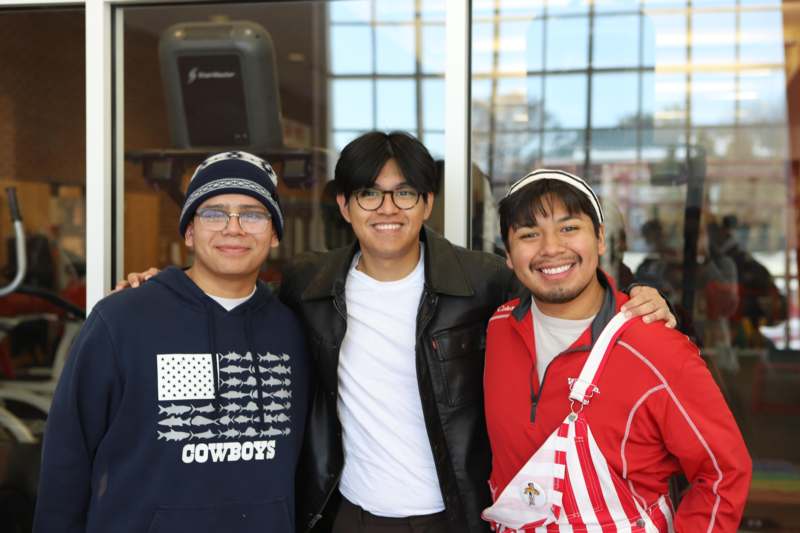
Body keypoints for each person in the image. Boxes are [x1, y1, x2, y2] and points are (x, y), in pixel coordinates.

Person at [119, 132, 675, 533]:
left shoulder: (481, 281)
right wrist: (164, 287)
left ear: (427, 203)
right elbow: (234, 297)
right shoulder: (309, 284)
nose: (388, 208)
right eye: (369, 193)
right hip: (350, 512)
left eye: (405, 192)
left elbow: (562, 290)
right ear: (344, 205)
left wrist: (636, 300)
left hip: (455, 513)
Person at [34, 151, 310, 533]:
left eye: (253, 214)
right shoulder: (124, 320)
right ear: (190, 231)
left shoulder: (295, 329)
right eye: (214, 213)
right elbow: (67, 457)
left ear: (275, 233)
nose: (234, 228)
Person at [482, 169, 751, 532]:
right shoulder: (499, 328)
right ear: (509, 255)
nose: (550, 248)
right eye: (529, 234)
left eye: (569, 228)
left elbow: (723, 473)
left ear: (601, 238)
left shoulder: (655, 347)